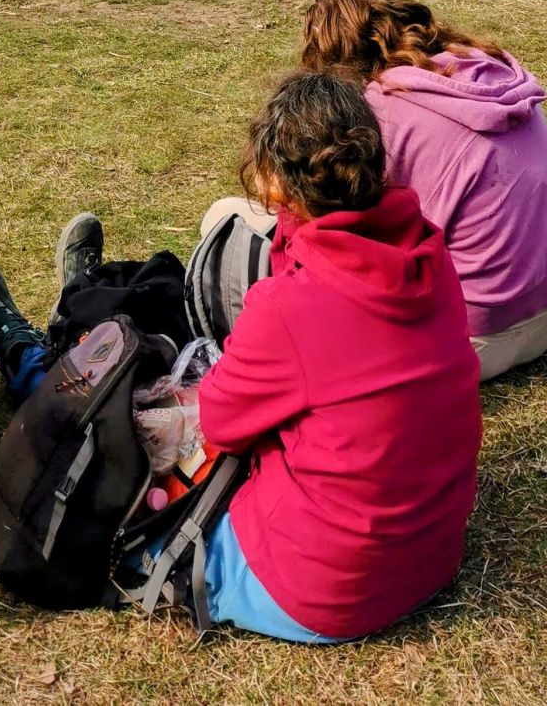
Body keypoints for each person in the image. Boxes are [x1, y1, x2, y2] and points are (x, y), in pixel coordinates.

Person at [189, 70, 481, 642]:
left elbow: (220, 421)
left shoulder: (289, 304)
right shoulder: (430, 255)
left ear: (276, 187)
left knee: (143, 510)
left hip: (327, 592)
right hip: (433, 557)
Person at [300, 0, 547, 380]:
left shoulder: (383, 108)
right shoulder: (489, 73)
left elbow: (358, 235)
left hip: (464, 341)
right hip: (546, 320)